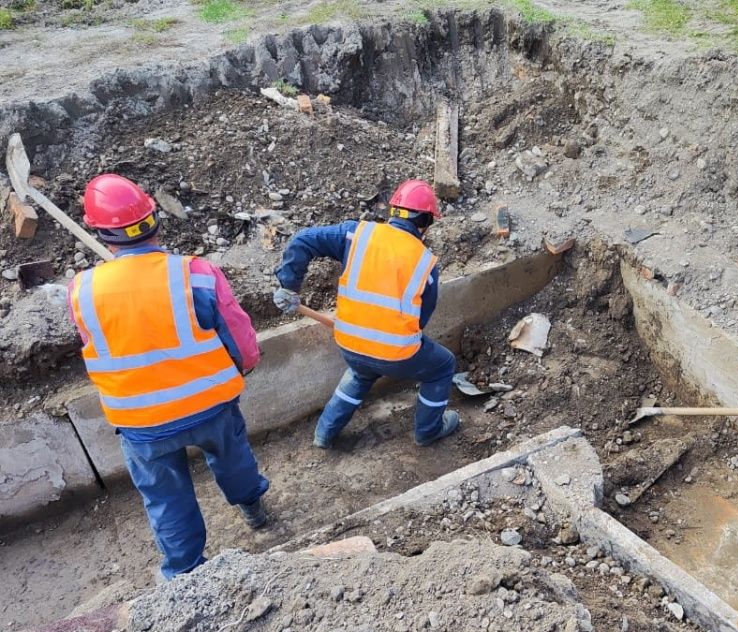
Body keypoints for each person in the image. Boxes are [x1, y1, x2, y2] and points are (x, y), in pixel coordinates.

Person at [68, 174, 270, 581]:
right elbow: (240, 337)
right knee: (234, 459)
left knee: (166, 498)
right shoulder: (196, 274)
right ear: (154, 220)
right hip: (210, 406)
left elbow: (99, 345)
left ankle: (184, 575)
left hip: (142, 425)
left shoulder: (82, 291)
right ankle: (252, 508)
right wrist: (244, 366)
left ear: (101, 233)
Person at [273, 179, 459, 449]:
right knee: (442, 367)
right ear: (425, 223)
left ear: (393, 212)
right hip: (396, 352)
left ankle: (324, 433)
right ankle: (428, 431)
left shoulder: (355, 234)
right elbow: (421, 320)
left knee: (361, 372)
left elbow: (302, 240)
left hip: (349, 342)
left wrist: (288, 285)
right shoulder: (424, 262)